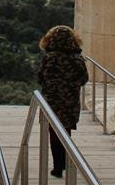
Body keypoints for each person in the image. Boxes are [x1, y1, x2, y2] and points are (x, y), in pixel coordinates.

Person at [37, 25, 89, 179]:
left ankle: (57, 166)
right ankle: (65, 162)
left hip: (53, 100)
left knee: (53, 132)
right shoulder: (77, 59)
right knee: (66, 131)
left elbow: (40, 78)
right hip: (70, 100)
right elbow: (84, 79)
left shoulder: (49, 57)